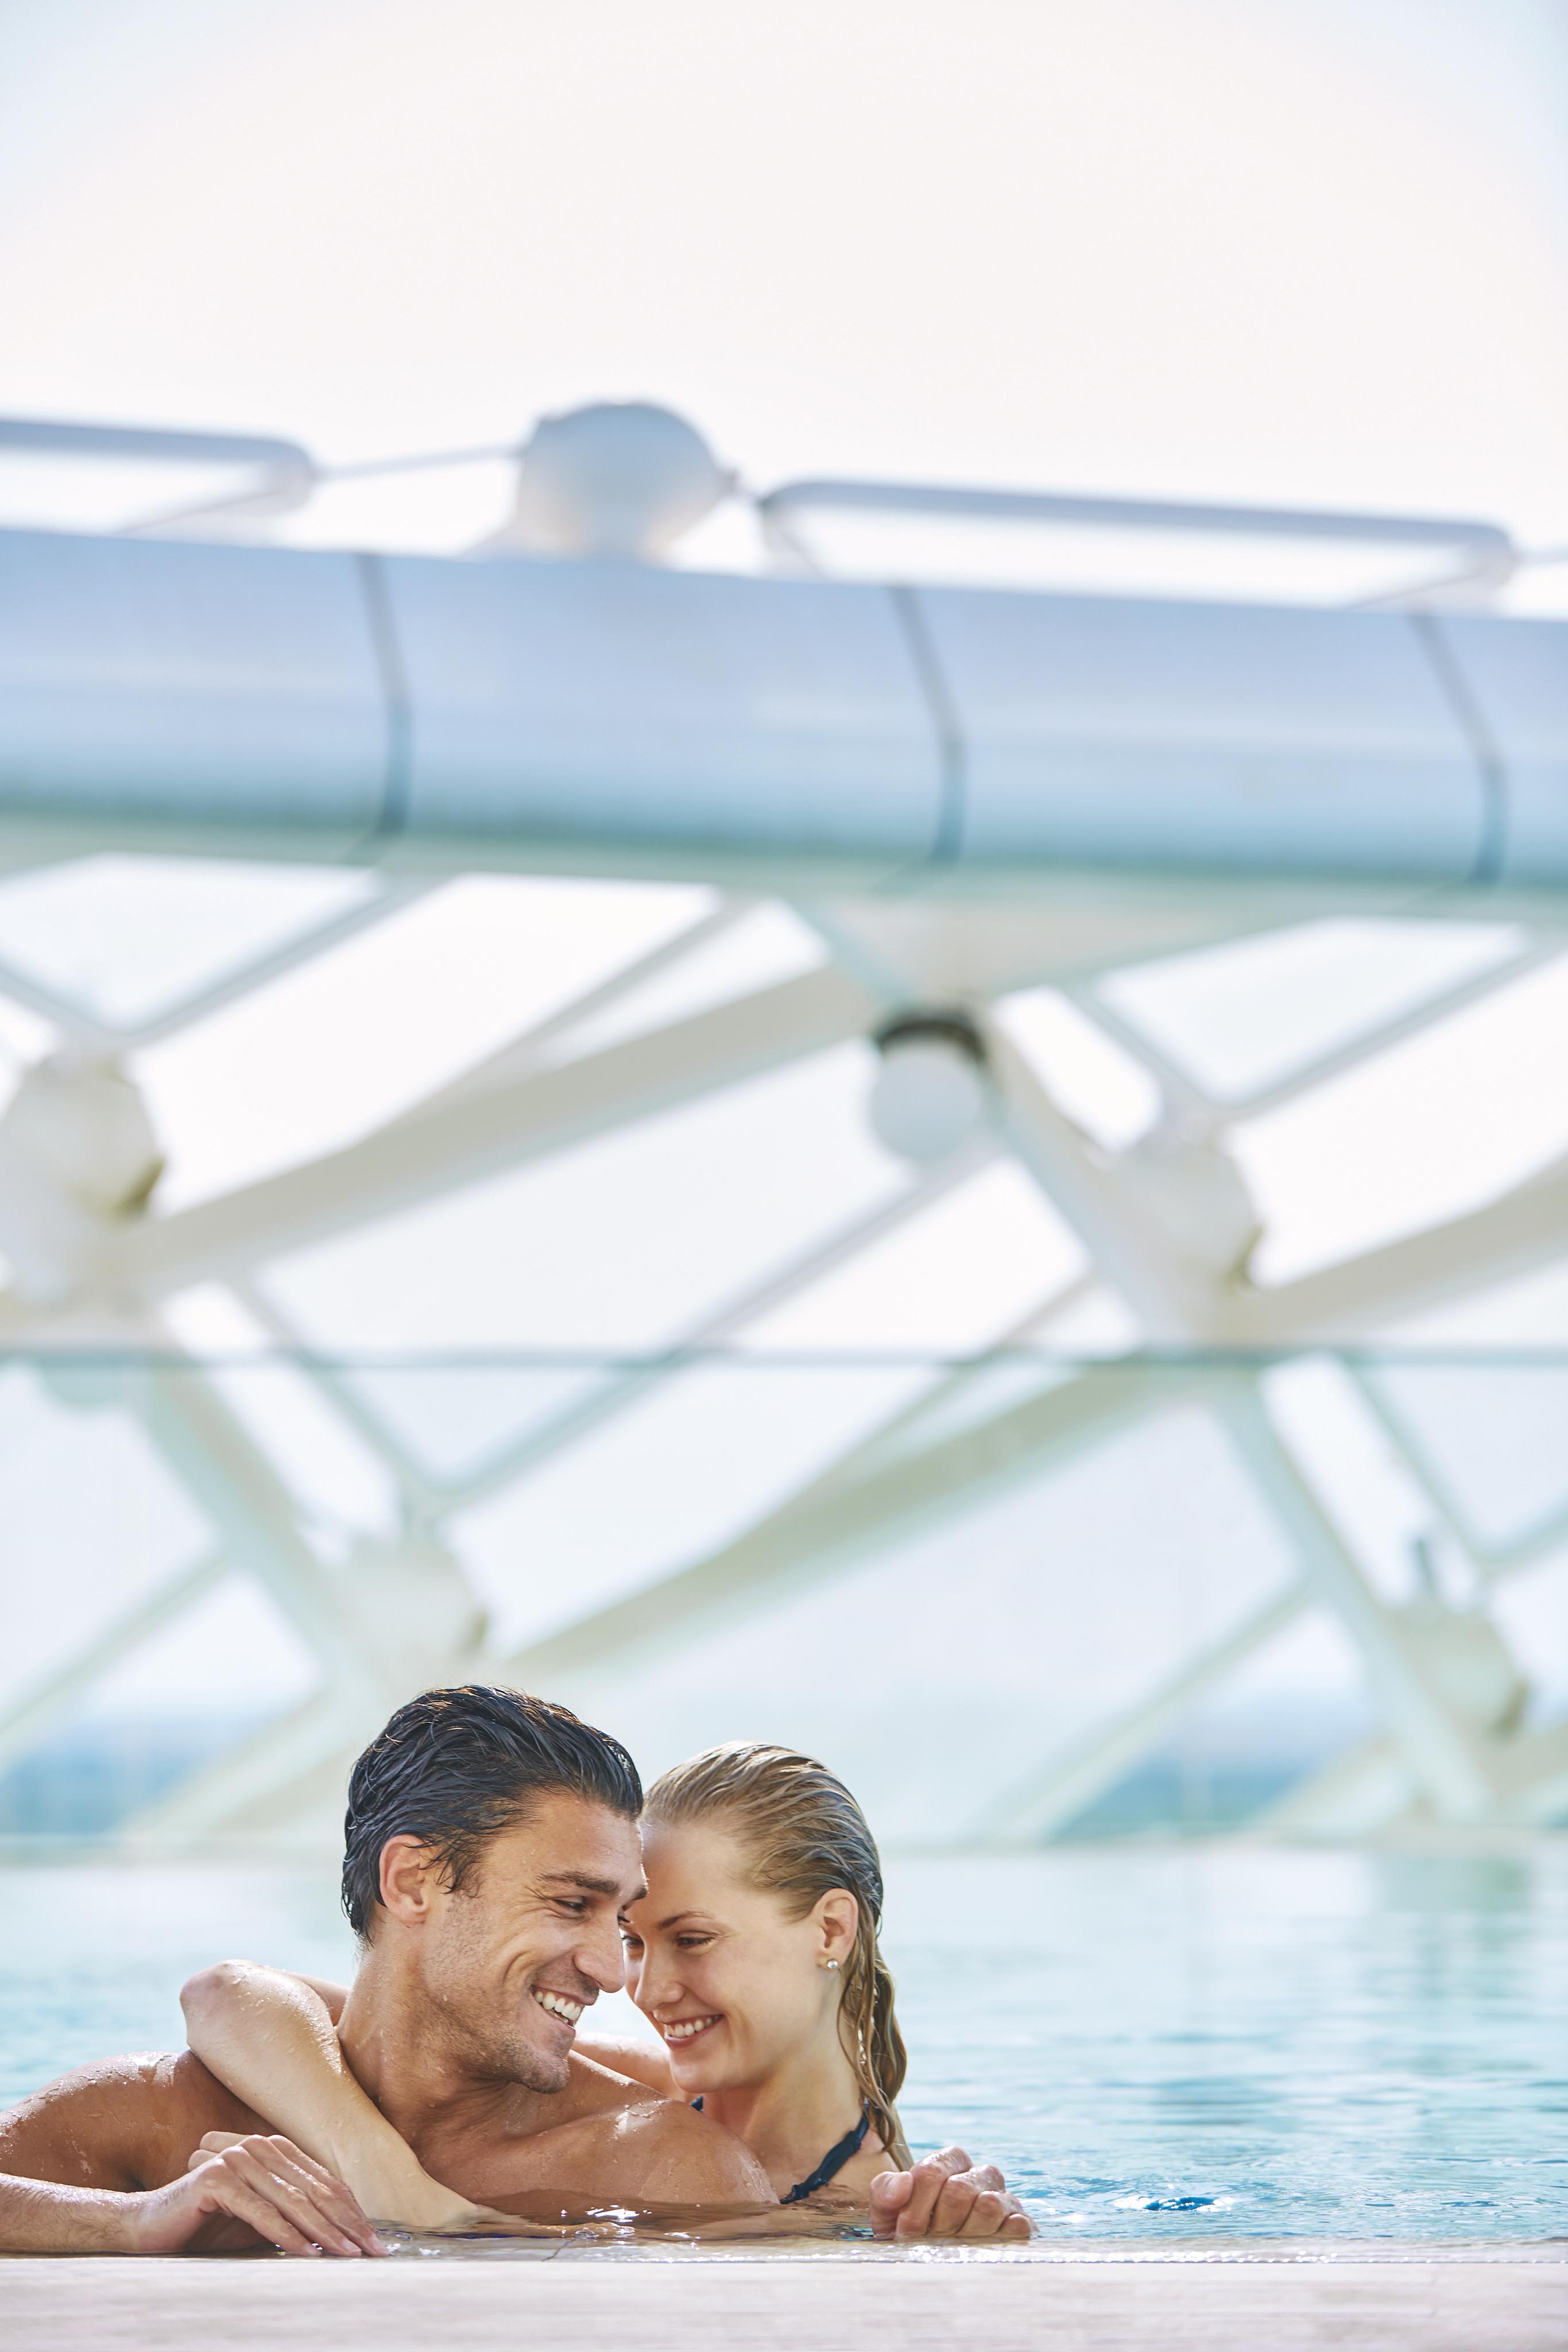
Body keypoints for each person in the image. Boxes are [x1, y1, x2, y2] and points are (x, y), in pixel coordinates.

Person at [0, 1687, 772, 2254]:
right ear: (411, 1882)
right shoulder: (166, 2119)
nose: (612, 1972)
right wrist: (136, 2221)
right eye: (572, 1903)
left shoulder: (664, 2170)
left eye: (620, 1920)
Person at [181, 1734, 1032, 2240]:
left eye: (692, 1940)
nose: (644, 1987)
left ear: (832, 1931)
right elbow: (225, 1995)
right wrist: (385, 2175)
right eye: (634, 1939)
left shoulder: (871, 2212)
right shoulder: (627, 2091)